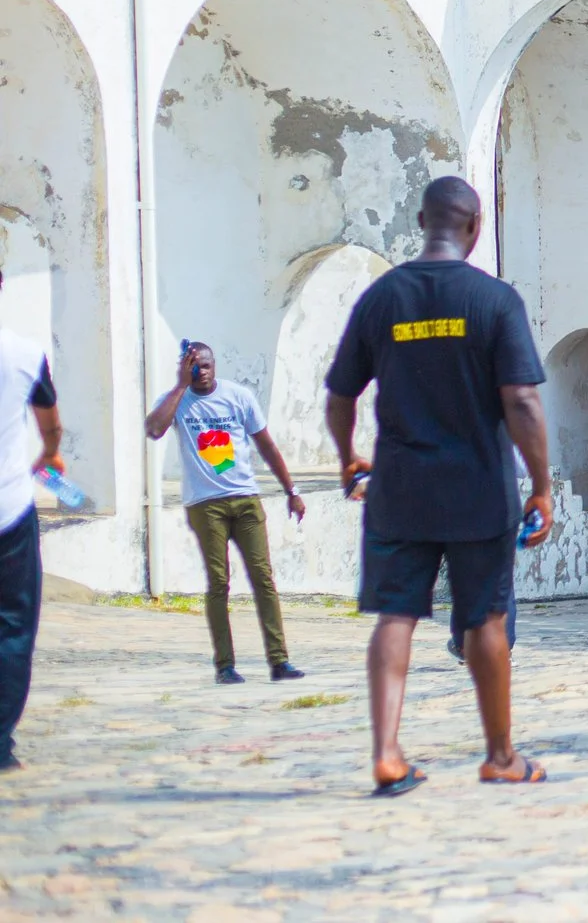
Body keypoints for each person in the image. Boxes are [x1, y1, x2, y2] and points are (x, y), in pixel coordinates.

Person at [324, 176, 555, 796]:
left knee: (394, 614)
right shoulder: (494, 300)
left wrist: (348, 457)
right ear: (475, 227)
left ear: (422, 221)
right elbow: (523, 401)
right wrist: (541, 485)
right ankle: (501, 756)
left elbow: (340, 393)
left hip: (399, 486)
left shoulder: (382, 298)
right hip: (479, 487)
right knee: (484, 617)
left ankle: (387, 753)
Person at [143, 341, 309, 684]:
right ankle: (225, 666)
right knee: (219, 583)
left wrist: (292, 491)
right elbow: (154, 430)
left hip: (246, 498)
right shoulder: (178, 400)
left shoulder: (238, 396)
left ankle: (279, 661)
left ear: (214, 365)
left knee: (263, 578)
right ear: (184, 368)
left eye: (204, 365)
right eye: (193, 366)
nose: (200, 371)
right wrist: (179, 386)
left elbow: (266, 444)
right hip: (206, 505)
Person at [0, 272, 61, 771]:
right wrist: (51, 455)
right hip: (8, 509)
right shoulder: (24, 354)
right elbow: (51, 423)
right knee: (14, 628)